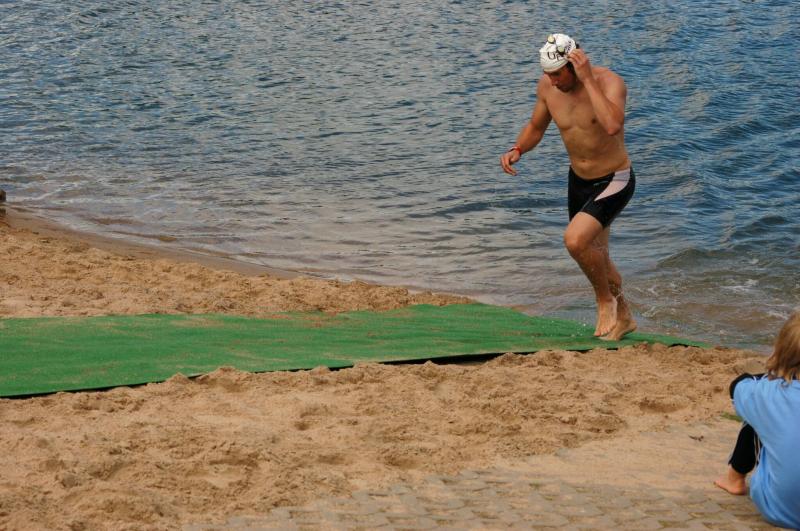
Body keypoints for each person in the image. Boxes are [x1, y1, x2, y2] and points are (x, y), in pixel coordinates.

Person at [500, 33, 636, 340]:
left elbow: (612, 125)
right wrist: (518, 148)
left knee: (575, 242)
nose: (552, 81)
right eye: (548, 75)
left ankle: (604, 300)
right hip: (579, 182)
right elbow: (536, 126)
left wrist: (588, 80)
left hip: (615, 180)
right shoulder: (548, 87)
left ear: (575, 66)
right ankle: (625, 316)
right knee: (598, 257)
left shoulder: (610, 83)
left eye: (558, 74)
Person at [714, 312, 800, 529]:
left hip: (782, 510)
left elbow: (737, 386)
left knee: (757, 411)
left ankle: (734, 479)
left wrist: (775, 375)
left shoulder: (769, 392)